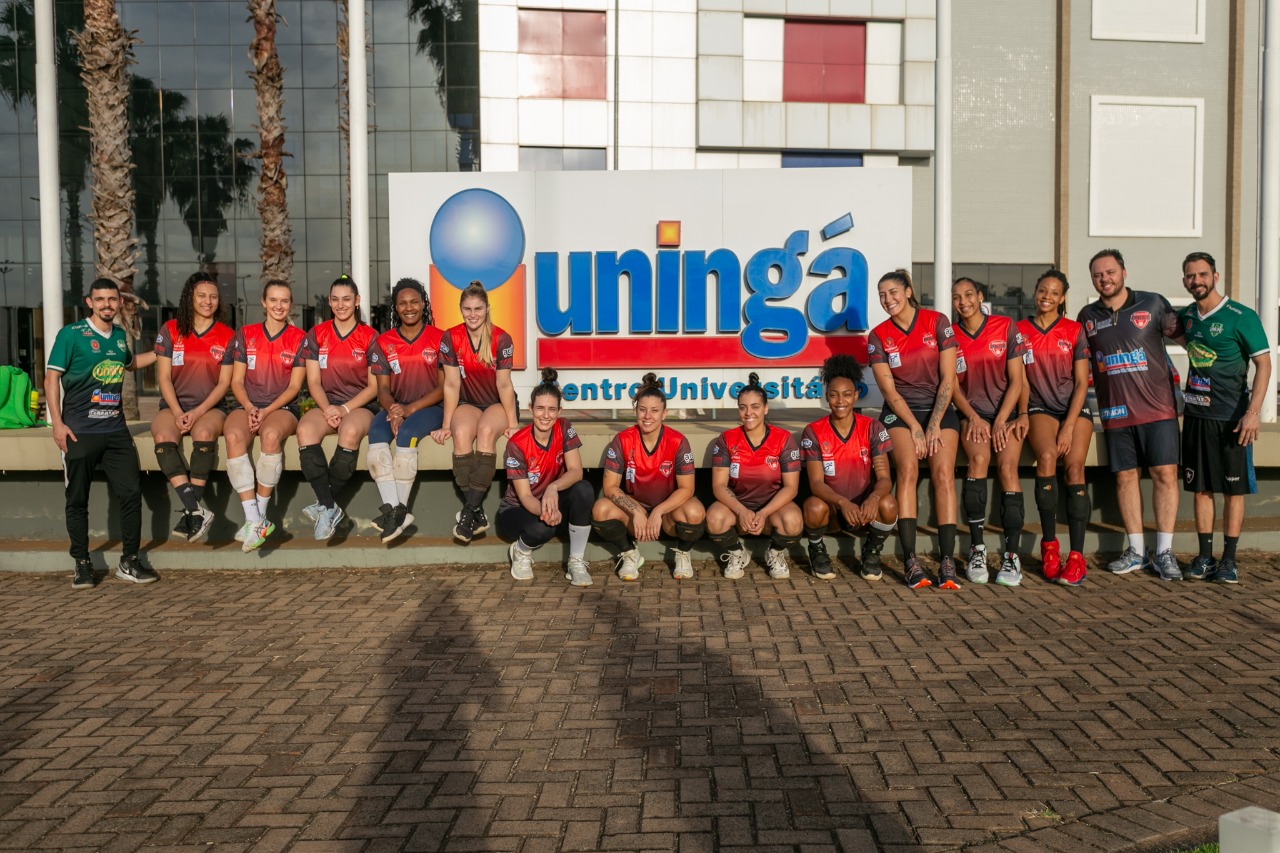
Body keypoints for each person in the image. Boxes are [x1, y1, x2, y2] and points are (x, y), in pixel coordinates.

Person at [44, 278, 158, 588]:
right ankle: (82, 563)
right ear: (89, 302)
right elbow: (51, 380)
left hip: (116, 431)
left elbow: (131, 364)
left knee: (131, 495)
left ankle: (129, 561)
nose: (106, 304)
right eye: (100, 299)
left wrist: (164, 350)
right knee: (77, 499)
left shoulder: (120, 336)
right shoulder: (71, 335)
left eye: (111, 299)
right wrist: (58, 424)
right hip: (79, 432)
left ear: (119, 303)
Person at [1078, 249, 1183, 580]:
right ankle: (1137, 551)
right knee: (1125, 478)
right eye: (1097, 275)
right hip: (1116, 413)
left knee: (1164, 475)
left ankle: (1164, 552)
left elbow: (1190, 340)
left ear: (1124, 273)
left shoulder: (1152, 303)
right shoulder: (1087, 315)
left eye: (1110, 272)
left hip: (1159, 409)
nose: (1104, 279)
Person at [1177, 251, 1272, 584]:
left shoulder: (1241, 316)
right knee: (1201, 489)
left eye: (1203, 274)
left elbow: (1264, 365)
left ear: (1215, 277)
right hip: (1196, 415)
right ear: (1184, 281)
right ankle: (1205, 557)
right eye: (1191, 276)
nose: (1197, 281)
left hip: (1233, 419)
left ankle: (1229, 560)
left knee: (1233, 491)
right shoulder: (1186, 317)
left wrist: (1252, 413)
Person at [866, 269, 961, 589]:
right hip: (899, 414)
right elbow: (889, 391)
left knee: (943, 474)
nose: (887, 299)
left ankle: (947, 561)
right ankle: (911, 561)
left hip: (939, 411)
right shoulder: (878, 336)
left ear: (908, 291)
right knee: (907, 470)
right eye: (882, 295)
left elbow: (949, 379)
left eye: (893, 292)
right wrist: (915, 428)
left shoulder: (937, 322)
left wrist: (932, 424)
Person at [950, 277, 1028, 586]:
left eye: (969, 294)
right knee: (978, 461)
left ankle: (1011, 555)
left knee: (1008, 468)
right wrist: (974, 418)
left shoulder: (1005, 326)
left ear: (980, 296)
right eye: (957, 297)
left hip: (1005, 415)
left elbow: (1018, 380)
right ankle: (977, 549)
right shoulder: (951, 336)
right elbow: (952, 386)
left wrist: (1002, 419)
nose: (963, 301)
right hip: (972, 416)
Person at [591, 372, 707, 580]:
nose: (647, 416)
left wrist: (658, 512)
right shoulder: (623, 439)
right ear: (635, 411)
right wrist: (637, 511)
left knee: (695, 511)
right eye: (642, 409)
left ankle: (683, 553)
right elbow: (610, 487)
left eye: (654, 410)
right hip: (635, 514)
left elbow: (687, 489)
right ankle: (630, 553)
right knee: (600, 509)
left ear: (664, 413)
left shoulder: (677, 441)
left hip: (668, 514)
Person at [1018, 270, 1093, 586]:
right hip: (1040, 407)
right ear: (1035, 292)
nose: (1046, 296)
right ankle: (1050, 548)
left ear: (1062, 298)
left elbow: (1081, 383)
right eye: (1042, 290)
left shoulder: (1074, 330)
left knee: (1074, 468)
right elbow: (1020, 380)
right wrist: (1022, 412)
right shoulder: (1020, 331)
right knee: (1047, 457)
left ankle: (1077, 557)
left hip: (1073, 409)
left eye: (1054, 292)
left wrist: (1069, 426)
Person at [431, 281, 520, 544]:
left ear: (487, 308)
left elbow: (504, 385)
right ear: (460, 309)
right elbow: (451, 384)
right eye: (467, 309)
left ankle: (468, 512)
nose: (473, 314)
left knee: (486, 431)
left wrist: (513, 424)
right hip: (468, 403)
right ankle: (477, 511)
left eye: (478, 309)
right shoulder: (450, 337)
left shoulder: (502, 338)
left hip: (497, 403)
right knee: (460, 433)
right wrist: (446, 424)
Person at [150, 271, 233, 542]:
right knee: (163, 437)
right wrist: (177, 412)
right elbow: (163, 378)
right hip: (174, 405)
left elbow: (224, 384)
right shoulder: (170, 329)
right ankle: (195, 510)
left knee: (204, 434)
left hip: (210, 408)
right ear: (190, 298)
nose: (208, 301)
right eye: (201, 296)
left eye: (213, 297)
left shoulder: (227, 335)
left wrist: (197, 412)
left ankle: (191, 511)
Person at [224, 280, 307, 552]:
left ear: (290, 304)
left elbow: (294, 387)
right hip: (248, 405)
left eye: (284, 301)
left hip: (282, 408)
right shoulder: (246, 334)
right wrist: (250, 408)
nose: (278, 306)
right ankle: (254, 520)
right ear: (263, 302)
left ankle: (258, 516)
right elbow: (236, 382)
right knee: (233, 435)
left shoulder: (299, 338)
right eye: (273, 300)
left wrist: (267, 411)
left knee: (270, 435)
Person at [800, 354, 898, 581]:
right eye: (834, 395)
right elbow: (816, 483)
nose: (840, 401)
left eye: (846, 394)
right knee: (813, 507)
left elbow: (884, 478)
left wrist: (873, 498)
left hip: (864, 510)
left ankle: (871, 553)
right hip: (834, 512)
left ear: (856, 395)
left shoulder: (872, 427)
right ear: (827, 397)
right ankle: (817, 551)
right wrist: (843, 503)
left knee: (889, 504)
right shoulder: (814, 431)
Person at [296, 275, 378, 540]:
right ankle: (329, 506)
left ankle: (324, 506)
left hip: (360, 406)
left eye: (346, 299)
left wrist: (343, 410)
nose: (341, 305)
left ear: (357, 301)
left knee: (350, 432)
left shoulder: (369, 336)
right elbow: (313, 381)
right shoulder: (316, 334)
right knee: (305, 431)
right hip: (326, 404)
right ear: (329, 302)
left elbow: (373, 388)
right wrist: (329, 408)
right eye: (335, 300)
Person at [498, 368, 595, 586]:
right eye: (540, 408)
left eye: (552, 409)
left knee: (584, 489)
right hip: (518, 509)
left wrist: (553, 487)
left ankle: (576, 562)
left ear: (559, 411)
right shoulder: (517, 444)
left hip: (552, 499)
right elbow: (525, 496)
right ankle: (520, 551)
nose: (545, 415)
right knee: (544, 528)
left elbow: (576, 471)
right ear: (530, 408)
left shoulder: (564, 427)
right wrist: (547, 511)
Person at [366, 278, 444, 544]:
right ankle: (396, 511)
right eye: (402, 303)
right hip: (396, 407)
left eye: (414, 302)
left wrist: (409, 410)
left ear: (424, 304)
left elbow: (444, 388)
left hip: (430, 408)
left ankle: (395, 513)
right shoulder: (384, 341)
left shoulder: (440, 338)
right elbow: (382, 389)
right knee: (376, 436)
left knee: (407, 435)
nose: (409, 308)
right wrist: (394, 410)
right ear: (395, 307)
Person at [705, 373, 803, 580]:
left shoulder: (783, 439)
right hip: (738, 506)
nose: (748, 413)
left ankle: (774, 552)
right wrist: (741, 511)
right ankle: (737, 553)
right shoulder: (727, 439)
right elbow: (719, 486)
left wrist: (764, 513)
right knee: (714, 518)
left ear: (765, 408)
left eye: (755, 407)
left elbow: (791, 487)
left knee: (793, 521)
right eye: (743, 407)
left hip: (772, 507)